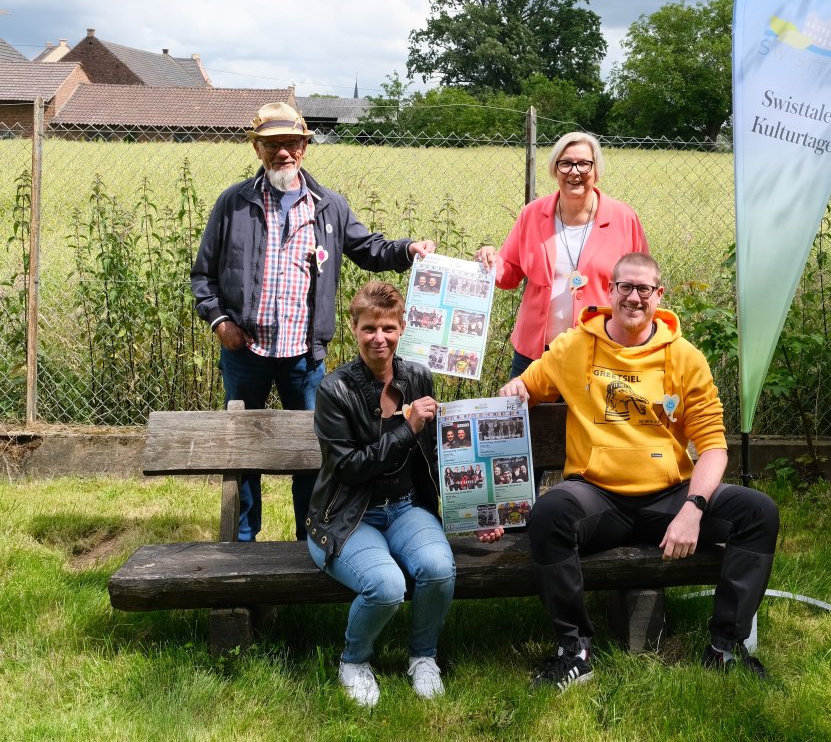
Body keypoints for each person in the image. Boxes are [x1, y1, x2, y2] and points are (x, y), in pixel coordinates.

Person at [500, 252, 779, 690]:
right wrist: (518, 387)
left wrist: (694, 507)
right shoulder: (574, 347)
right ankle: (575, 653)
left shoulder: (686, 358)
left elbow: (713, 447)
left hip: (668, 499)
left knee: (758, 512)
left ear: (658, 295)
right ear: (609, 292)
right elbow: (529, 385)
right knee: (549, 513)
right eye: (624, 287)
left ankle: (725, 648)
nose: (633, 297)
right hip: (598, 498)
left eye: (643, 289)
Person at [191, 102, 435, 542]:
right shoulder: (233, 203)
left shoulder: (329, 207)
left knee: (312, 450)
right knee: (244, 449)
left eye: (291, 143)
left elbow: (369, 249)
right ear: (258, 149)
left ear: (305, 147)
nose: (283, 153)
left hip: (305, 358)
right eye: (272, 144)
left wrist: (407, 250)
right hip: (246, 352)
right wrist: (220, 321)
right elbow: (203, 274)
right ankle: (243, 538)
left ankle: (312, 536)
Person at [305, 281, 502, 706]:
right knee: (386, 585)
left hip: (406, 508)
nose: (380, 338)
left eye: (389, 328)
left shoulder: (417, 377)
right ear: (353, 328)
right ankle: (354, 660)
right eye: (370, 328)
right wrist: (404, 428)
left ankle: (423, 656)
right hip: (347, 516)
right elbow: (349, 468)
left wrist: (477, 512)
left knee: (437, 566)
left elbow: (437, 457)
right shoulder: (333, 390)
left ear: (402, 328)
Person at [475, 132, 649, 378]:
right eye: (565, 163)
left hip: (601, 351)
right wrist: (491, 261)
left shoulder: (624, 218)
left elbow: (644, 285)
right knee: (531, 418)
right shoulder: (532, 214)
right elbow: (510, 272)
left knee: (592, 418)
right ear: (555, 170)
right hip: (534, 355)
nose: (574, 172)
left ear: (596, 170)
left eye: (583, 164)